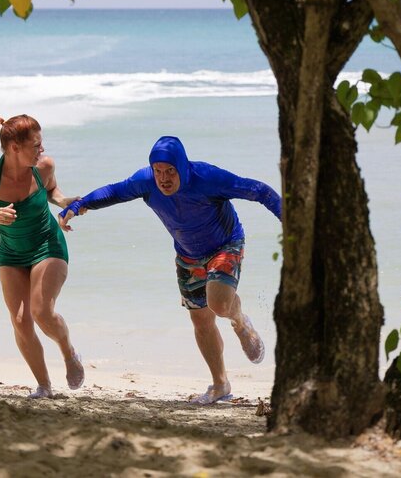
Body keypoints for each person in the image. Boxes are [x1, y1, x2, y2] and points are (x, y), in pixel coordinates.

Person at [58, 136, 281, 405]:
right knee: (200, 320)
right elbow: (114, 192)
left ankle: (240, 321)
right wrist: (78, 206)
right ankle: (220, 383)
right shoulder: (146, 182)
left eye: (170, 171)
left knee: (220, 304)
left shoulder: (208, 178)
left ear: (182, 167)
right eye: (158, 171)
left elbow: (260, 191)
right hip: (188, 254)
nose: (163, 178)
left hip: (226, 244)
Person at [0, 114, 85, 398]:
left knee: (41, 312)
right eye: (36, 145)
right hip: (12, 253)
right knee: (20, 320)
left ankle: (68, 351)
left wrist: (64, 202)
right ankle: (44, 387)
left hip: (47, 245)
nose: (42, 150)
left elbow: (52, 191)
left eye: (41, 144)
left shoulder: (44, 167)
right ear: (14, 147)